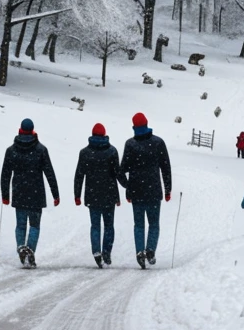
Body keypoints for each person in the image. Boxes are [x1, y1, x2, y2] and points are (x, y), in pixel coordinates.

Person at [0, 117, 60, 267]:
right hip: (36, 194)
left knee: (20, 225)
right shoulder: (41, 150)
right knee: (34, 225)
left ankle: (21, 247)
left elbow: (5, 175)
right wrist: (55, 194)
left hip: (19, 193)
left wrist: (5, 195)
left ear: (20, 130)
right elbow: (49, 173)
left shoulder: (11, 150)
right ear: (33, 131)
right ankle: (30, 250)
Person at [118, 111, 172, 270]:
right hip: (154, 191)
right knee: (154, 223)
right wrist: (167, 189)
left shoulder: (130, 144)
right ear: (147, 124)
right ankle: (150, 250)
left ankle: (140, 252)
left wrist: (128, 187)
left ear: (134, 127)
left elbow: (121, 171)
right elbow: (165, 168)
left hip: (137, 192)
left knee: (139, 224)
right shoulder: (158, 143)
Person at [74, 122, 121, 268]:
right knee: (109, 225)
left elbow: (79, 175)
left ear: (92, 135)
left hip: (92, 194)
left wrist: (77, 194)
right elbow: (116, 175)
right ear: (104, 134)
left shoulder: (85, 153)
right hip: (108, 194)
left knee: (95, 226)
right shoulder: (112, 152)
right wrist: (119, 195)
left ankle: (96, 251)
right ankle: (106, 252)